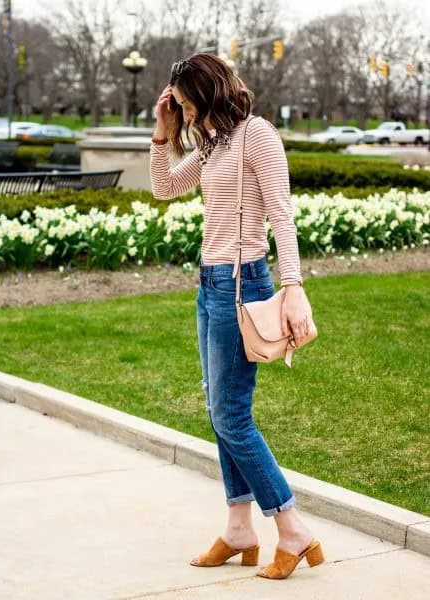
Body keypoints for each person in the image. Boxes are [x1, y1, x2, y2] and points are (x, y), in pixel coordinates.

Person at [149, 52, 325, 580]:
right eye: (177, 106)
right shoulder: (213, 143)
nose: (183, 112)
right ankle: (239, 528)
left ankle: (293, 529)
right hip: (210, 286)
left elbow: (283, 217)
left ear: (209, 93)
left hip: (242, 286)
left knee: (232, 415)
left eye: (185, 104)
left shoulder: (257, 135)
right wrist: (163, 134)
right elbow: (164, 188)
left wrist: (293, 287)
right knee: (217, 409)